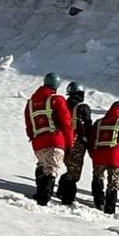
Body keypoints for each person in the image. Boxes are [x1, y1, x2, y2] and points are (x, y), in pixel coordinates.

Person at [23, 72, 75, 206]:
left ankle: (40, 195)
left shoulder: (30, 104)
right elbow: (66, 124)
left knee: (42, 167)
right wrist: (69, 145)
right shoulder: (57, 100)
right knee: (51, 170)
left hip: (38, 143)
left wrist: (34, 138)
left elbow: (29, 126)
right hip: (55, 140)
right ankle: (43, 200)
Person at [89, 100, 119, 214]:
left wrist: (94, 156)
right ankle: (110, 208)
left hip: (99, 155)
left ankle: (99, 202)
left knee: (97, 177)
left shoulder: (99, 122)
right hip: (116, 156)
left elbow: (91, 142)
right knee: (113, 183)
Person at [57, 81, 93, 206]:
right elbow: (88, 126)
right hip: (77, 143)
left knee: (69, 168)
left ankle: (62, 190)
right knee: (74, 173)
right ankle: (67, 198)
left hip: (62, 141)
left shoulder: (62, 106)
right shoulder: (83, 108)